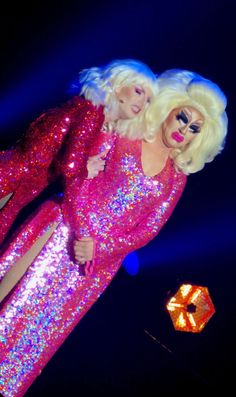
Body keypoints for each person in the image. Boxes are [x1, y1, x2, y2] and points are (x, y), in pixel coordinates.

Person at [0, 68, 228, 397]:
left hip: (93, 266)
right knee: (12, 293)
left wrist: (100, 248)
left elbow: (148, 229)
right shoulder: (127, 132)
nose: (184, 130)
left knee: (40, 329)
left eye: (194, 128)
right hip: (62, 227)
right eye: (183, 117)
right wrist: (82, 231)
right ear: (169, 108)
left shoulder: (176, 177)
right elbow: (79, 174)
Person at [0, 58, 157, 246]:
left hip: (17, 189)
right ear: (117, 85)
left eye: (148, 100)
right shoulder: (91, 112)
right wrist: (82, 232)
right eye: (138, 91)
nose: (142, 102)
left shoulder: (91, 113)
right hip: (10, 179)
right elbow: (70, 169)